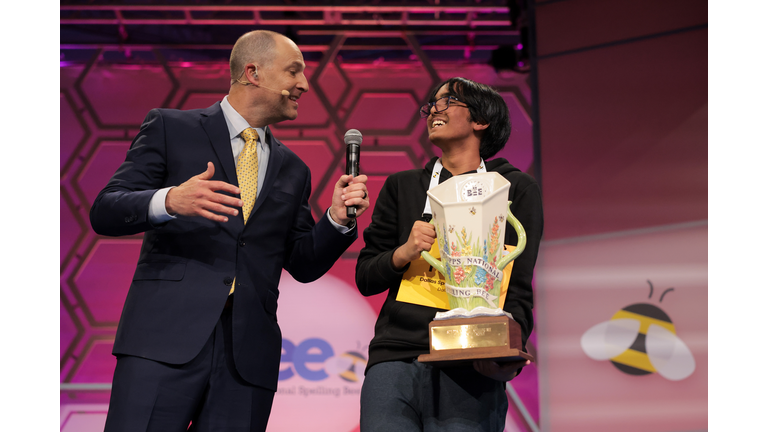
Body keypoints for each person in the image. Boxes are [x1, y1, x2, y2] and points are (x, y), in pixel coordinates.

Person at [90, 30, 369, 432]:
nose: (304, 85)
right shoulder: (171, 127)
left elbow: (303, 263)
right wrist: (170, 200)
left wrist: (337, 219)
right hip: (162, 341)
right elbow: (106, 210)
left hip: (247, 358)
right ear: (253, 73)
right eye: (294, 71)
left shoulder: (294, 169)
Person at [355, 77, 543, 432]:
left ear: (481, 120)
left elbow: (517, 288)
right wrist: (404, 252)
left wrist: (506, 356)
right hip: (397, 355)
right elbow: (366, 276)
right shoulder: (403, 186)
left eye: (447, 101)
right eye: (432, 104)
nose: (433, 110)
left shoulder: (514, 189)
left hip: (472, 358)